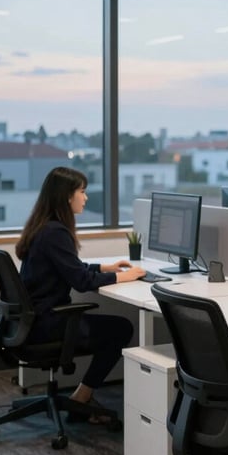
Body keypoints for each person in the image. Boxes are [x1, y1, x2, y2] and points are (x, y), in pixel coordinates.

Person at [16, 167, 146, 422]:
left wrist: (103, 267)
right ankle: (82, 397)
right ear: (67, 196)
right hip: (49, 324)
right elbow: (81, 281)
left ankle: (82, 396)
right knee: (121, 328)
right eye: (82, 192)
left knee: (114, 326)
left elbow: (68, 267)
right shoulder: (56, 232)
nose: (85, 198)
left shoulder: (43, 227)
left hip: (33, 321)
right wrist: (123, 276)